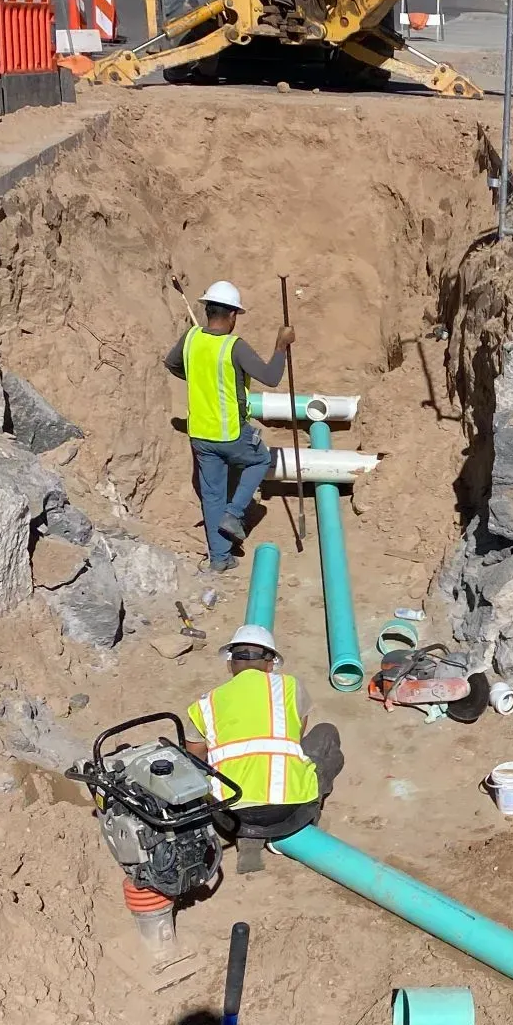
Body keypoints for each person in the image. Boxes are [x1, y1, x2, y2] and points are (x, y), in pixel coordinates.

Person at [182, 624, 343, 868]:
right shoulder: (290, 687)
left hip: (229, 815)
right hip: (289, 807)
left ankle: (249, 836)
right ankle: (306, 820)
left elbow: (194, 762)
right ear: (270, 665)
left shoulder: (205, 704)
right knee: (326, 734)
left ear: (230, 665)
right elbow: (296, 738)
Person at [164, 281, 294, 574]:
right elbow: (271, 377)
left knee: (212, 496)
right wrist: (281, 346)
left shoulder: (191, 338)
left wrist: (199, 377)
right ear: (233, 315)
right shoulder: (234, 347)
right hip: (231, 434)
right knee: (260, 459)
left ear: (208, 310)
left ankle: (220, 558)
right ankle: (234, 513)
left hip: (200, 435)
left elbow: (172, 364)